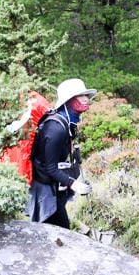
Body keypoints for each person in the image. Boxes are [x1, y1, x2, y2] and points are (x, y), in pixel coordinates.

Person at [28, 78, 95, 229]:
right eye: (80, 96)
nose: (86, 99)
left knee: (59, 227)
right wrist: (73, 184)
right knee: (58, 228)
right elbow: (50, 167)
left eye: (86, 96)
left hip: (54, 186)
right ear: (69, 100)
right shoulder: (55, 129)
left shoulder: (68, 123)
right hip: (45, 189)